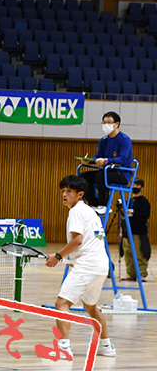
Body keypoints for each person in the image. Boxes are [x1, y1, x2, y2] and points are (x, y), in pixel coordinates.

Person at [44, 175, 116, 357]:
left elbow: (77, 240)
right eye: (63, 191)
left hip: (88, 265)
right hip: (101, 265)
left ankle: (63, 348)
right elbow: (90, 243)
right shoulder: (91, 212)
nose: (64, 194)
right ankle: (107, 346)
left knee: (62, 303)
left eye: (69, 191)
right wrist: (72, 260)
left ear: (80, 194)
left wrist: (58, 257)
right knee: (91, 307)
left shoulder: (76, 211)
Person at [79, 111, 132, 215]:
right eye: (104, 122)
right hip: (107, 171)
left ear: (116, 124)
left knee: (100, 175)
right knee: (83, 177)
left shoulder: (125, 140)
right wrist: (89, 161)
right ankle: (94, 203)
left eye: (109, 122)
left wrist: (107, 161)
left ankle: (104, 205)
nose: (106, 125)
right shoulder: (103, 140)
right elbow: (98, 156)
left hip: (122, 174)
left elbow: (123, 159)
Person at [119, 178, 149, 282]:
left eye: (137, 185)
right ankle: (131, 273)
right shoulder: (128, 201)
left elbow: (145, 215)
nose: (135, 187)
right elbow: (123, 217)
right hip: (127, 232)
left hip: (138, 232)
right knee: (128, 254)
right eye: (133, 185)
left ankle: (141, 274)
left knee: (139, 253)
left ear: (141, 187)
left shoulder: (144, 202)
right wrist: (121, 231)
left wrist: (133, 213)